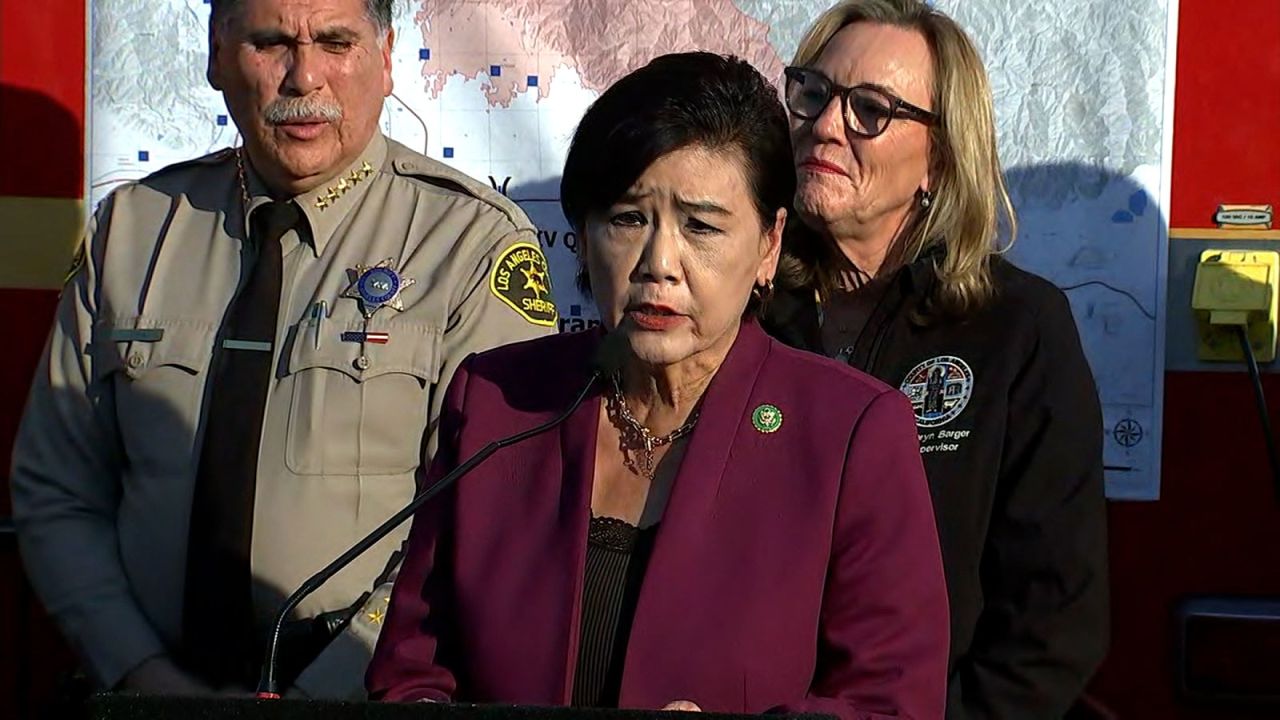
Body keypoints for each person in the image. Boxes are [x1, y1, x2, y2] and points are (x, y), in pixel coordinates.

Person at [366, 52, 949, 719]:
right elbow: (414, 668)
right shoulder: (498, 400)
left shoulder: (851, 431)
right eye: (626, 219)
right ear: (581, 238)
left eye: (701, 226)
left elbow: (890, 700)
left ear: (768, 244)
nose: (659, 265)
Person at [9, 0, 555, 701]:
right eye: (270, 42)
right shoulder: (136, 231)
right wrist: (140, 673)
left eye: (335, 41)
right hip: (138, 693)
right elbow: (57, 489)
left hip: (361, 695)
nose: (304, 77)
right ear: (215, 53)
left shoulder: (469, 245)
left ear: (387, 58)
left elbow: (487, 524)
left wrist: (319, 698)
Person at [760, 1, 1109, 718]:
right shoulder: (744, 312)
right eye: (814, 94)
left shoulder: (1016, 328)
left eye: (871, 110)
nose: (827, 126)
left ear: (940, 159)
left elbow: (1055, 620)